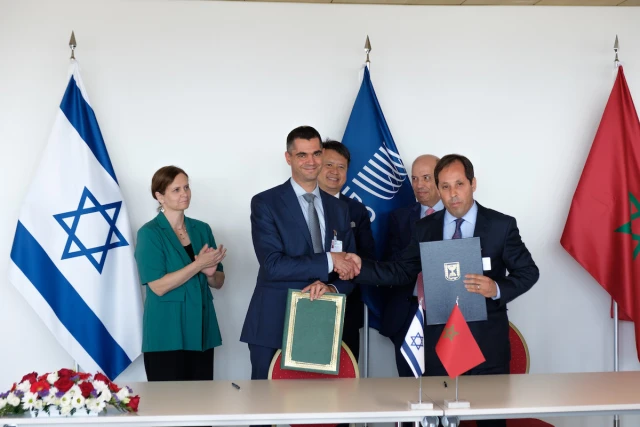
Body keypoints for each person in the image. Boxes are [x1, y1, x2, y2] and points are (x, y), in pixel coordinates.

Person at [343, 154, 539, 427]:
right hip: (439, 343)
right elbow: (401, 271)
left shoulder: (500, 226)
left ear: (473, 184)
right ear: (438, 188)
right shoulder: (425, 228)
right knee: (436, 420)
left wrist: (496, 287)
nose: (453, 193)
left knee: (490, 423)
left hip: (487, 345)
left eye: (459, 184)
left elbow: (529, 272)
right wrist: (360, 267)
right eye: (445, 186)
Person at [240, 126, 358, 381]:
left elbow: (350, 268)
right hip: (273, 323)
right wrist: (329, 260)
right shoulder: (265, 203)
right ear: (288, 158)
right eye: (302, 155)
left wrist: (332, 288)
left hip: (323, 324)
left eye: (316, 153)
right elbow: (273, 265)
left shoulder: (339, 208)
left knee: (320, 402)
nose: (311, 161)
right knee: (266, 401)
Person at [135, 166, 227, 382]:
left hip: (201, 329)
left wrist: (210, 274)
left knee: (202, 399)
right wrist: (198, 265)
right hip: (166, 331)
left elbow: (219, 282)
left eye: (186, 187)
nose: (184, 193)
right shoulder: (149, 233)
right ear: (160, 196)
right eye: (176, 190)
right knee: (168, 400)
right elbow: (158, 286)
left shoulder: (202, 229)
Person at [383, 154, 444, 377]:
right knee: (409, 389)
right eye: (414, 178)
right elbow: (391, 264)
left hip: (446, 314)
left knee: (446, 387)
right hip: (406, 314)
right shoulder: (398, 218)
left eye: (426, 177)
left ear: (440, 178)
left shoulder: (458, 216)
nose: (419, 185)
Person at [317, 140, 376, 362]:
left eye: (341, 167)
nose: (335, 172)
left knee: (346, 374)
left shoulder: (356, 210)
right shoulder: (297, 206)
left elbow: (367, 256)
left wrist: (340, 281)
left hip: (345, 305)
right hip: (303, 300)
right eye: (329, 165)